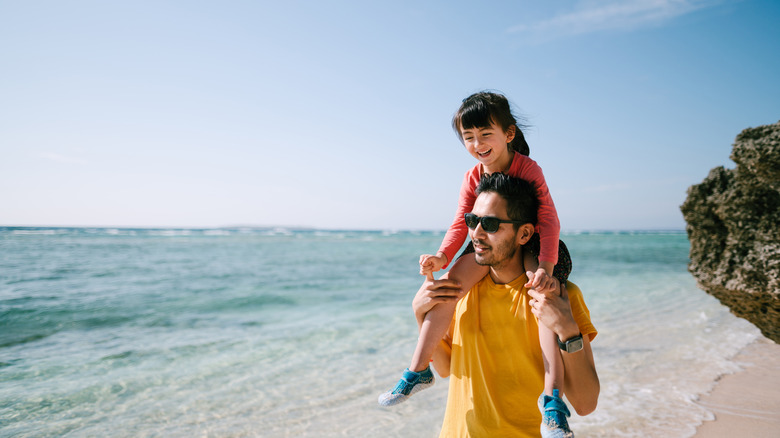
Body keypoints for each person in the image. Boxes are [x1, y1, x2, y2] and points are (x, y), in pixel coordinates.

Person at [379, 91, 574, 435]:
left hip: (536, 242)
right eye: (469, 137)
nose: (478, 143)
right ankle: (418, 369)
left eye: (486, 134)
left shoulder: (528, 169)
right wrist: (442, 255)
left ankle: (552, 399)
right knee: (447, 288)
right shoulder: (472, 177)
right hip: (487, 240)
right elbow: (461, 222)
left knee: (542, 297)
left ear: (508, 134)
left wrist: (544, 266)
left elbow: (548, 219)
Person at [421, 173, 599, 437]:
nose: (476, 234)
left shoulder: (561, 296)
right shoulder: (461, 292)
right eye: (473, 221)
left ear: (524, 233)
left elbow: (585, 405)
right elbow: (446, 369)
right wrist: (419, 314)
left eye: (491, 224)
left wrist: (568, 330)